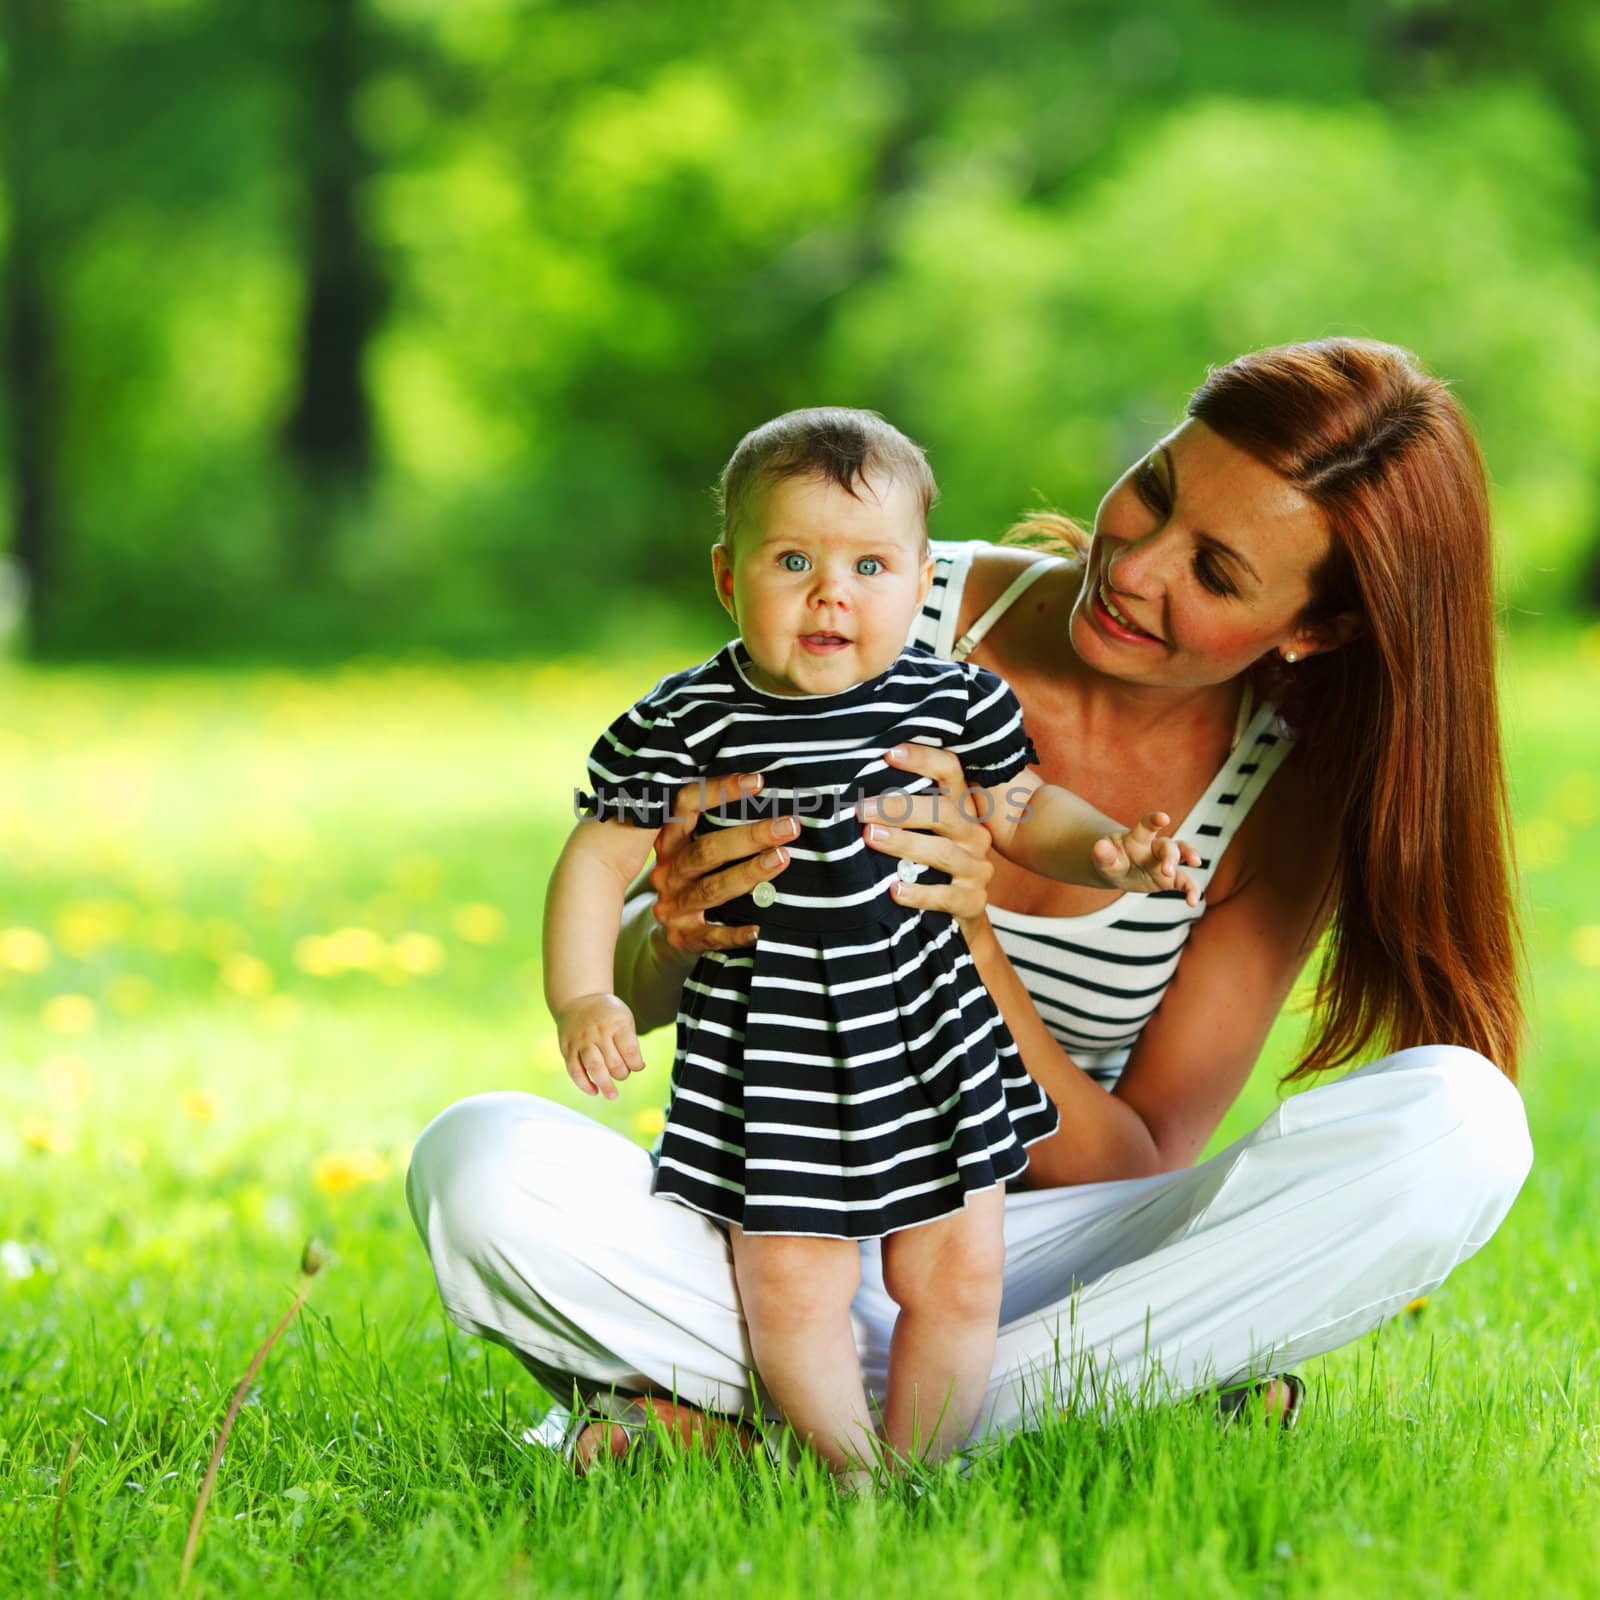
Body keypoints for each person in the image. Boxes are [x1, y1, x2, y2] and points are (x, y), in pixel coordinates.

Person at [407, 338, 1532, 1469]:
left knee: (1458, 1128)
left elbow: (1137, 1166)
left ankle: (780, 1424)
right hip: (782, 1196)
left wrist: (973, 936)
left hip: (1011, 1236)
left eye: (1216, 572)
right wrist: (673, 937)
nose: (1135, 566)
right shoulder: (859, 584)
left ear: (1315, 627)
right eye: (1151, 489)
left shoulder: (1276, 792)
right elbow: (641, 943)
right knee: (481, 1164)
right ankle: (1084, 1403)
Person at [545, 408, 1202, 1483]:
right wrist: (584, 996)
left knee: (955, 1273)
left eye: (869, 564)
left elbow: (1024, 809)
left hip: (928, 1035)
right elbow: (594, 859)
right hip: (775, 1055)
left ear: (916, 577)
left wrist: (1111, 856)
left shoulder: (950, 699)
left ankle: (921, 1467)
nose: (829, 592)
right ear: (727, 577)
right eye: (792, 559)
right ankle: (849, 1473)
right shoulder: (687, 718)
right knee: (788, 1285)